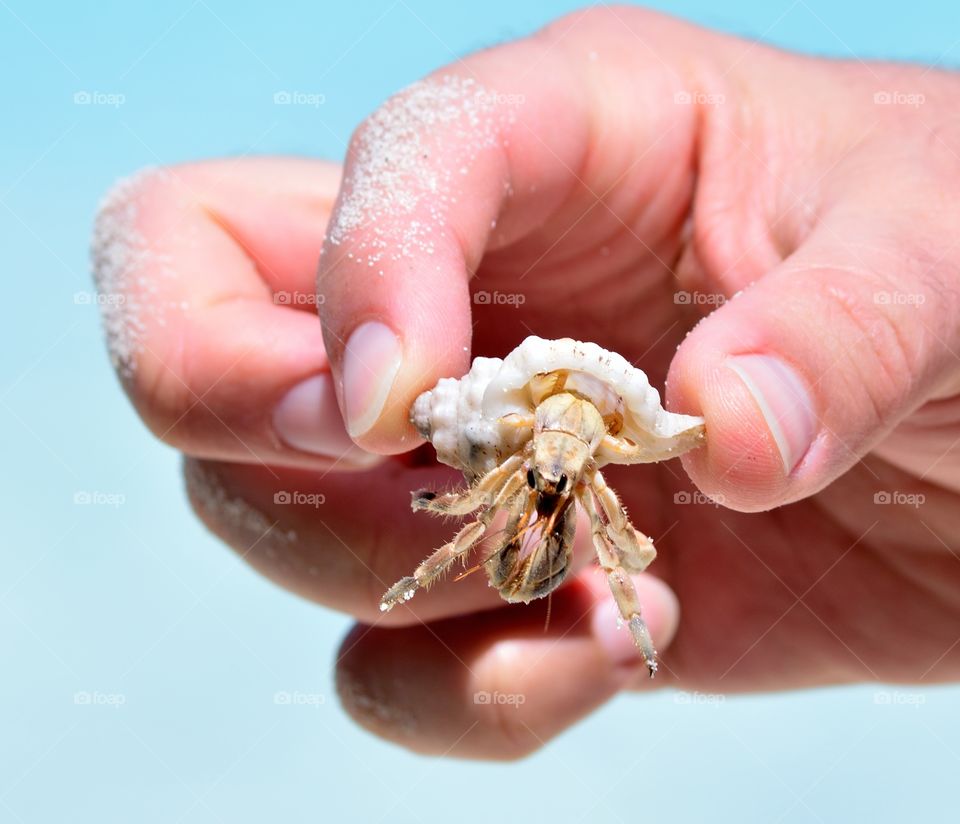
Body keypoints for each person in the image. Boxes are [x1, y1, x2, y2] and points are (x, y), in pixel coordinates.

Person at [93, 7, 960, 759]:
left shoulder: (599, 453)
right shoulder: (538, 452)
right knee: (487, 522)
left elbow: (626, 495)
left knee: (592, 531)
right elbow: (497, 487)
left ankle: (426, 583)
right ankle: (413, 581)